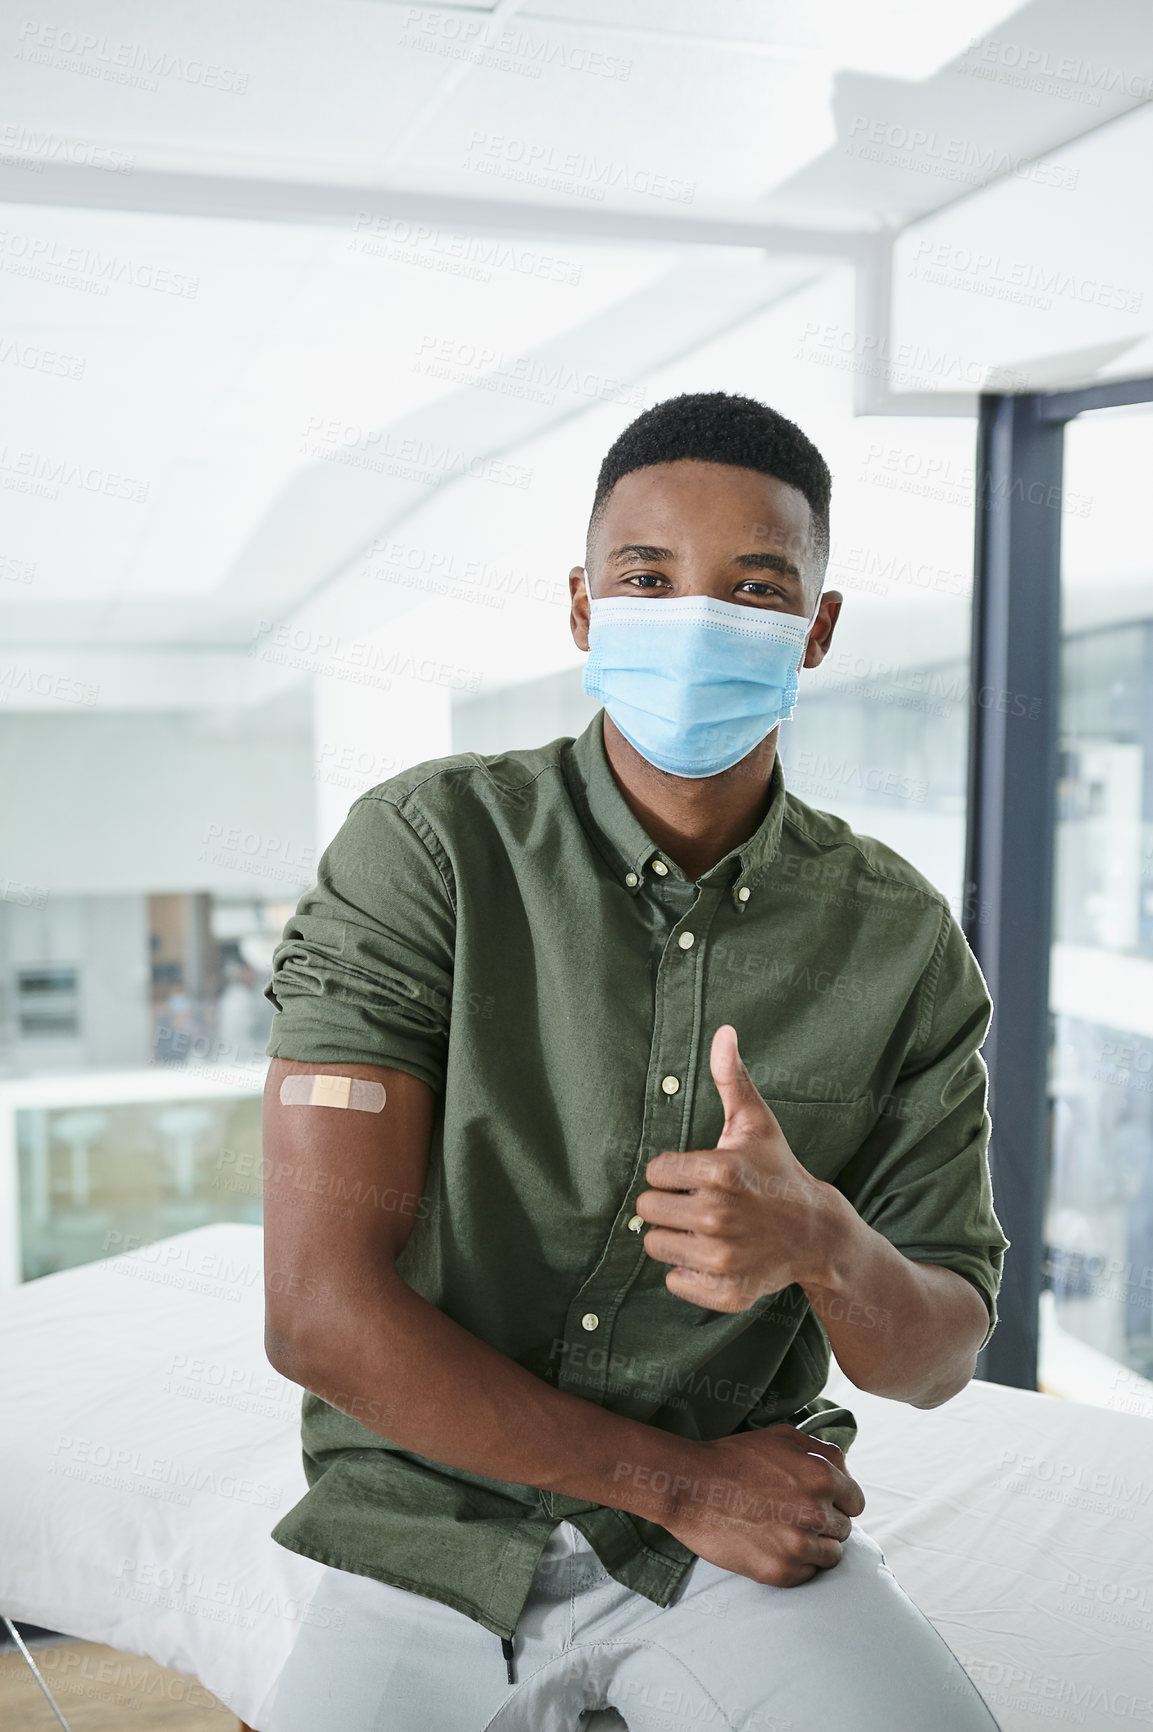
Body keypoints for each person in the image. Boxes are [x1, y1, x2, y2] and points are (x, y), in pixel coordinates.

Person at [259, 391, 1007, 1730]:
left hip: (736, 1551)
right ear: (581, 606)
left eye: (755, 587)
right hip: (428, 1520)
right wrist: (676, 1484)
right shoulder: (428, 854)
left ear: (816, 629)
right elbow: (318, 1313)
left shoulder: (897, 941)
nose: (697, 620)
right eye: (647, 579)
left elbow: (939, 1351)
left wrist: (825, 1242)